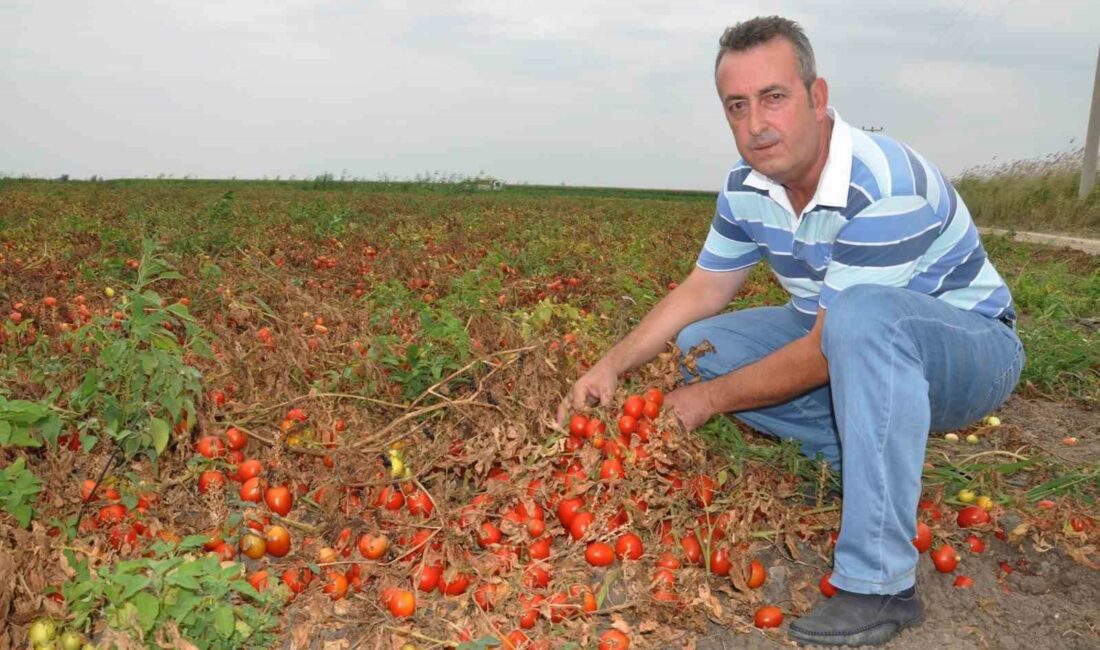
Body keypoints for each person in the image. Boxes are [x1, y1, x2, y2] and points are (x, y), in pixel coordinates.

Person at [558, 15, 1024, 647]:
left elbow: (825, 349)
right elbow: (703, 289)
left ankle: (881, 584)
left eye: (774, 97)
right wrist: (613, 365)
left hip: (968, 351)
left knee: (856, 322)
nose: (756, 124)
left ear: (818, 96)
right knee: (710, 346)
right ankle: (855, 445)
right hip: (839, 333)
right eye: (737, 106)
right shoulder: (747, 186)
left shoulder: (884, 185)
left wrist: (704, 402)